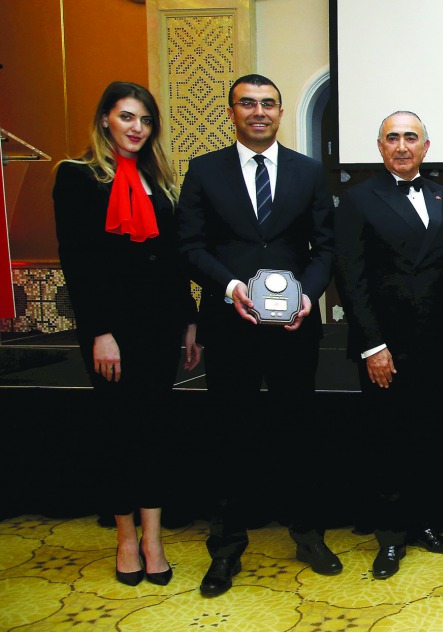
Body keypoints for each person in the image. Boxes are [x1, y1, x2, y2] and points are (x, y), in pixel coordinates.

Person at [177, 73, 339, 597]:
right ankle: (226, 547)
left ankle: (308, 533)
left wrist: (309, 295)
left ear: (281, 111)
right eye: (247, 104)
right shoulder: (203, 172)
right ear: (232, 113)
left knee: (301, 432)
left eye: (268, 103)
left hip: (295, 327)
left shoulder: (309, 172)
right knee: (229, 435)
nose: (259, 112)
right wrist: (228, 287)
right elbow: (190, 245)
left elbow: (325, 249)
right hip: (231, 325)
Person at [53, 81, 201, 587]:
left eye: (144, 120)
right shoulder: (77, 177)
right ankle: (124, 539)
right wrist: (100, 332)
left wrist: (188, 321)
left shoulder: (159, 183)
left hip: (160, 326)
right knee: (119, 432)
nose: (137, 128)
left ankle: (154, 539)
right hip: (111, 331)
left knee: (155, 430)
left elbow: (174, 262)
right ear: (104, 121)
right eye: (126, 117)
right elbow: (78, 263)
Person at [333, 110, 443, 579]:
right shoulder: (358, 200)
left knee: (426, 437)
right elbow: (351, 278)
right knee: (387, 441)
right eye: (393, 138)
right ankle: (389, 538)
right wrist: (372, 346)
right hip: (383, 348)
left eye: (412, 137)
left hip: (433, 346)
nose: (403, 145)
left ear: (426, 147)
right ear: (380, 147)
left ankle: (422, 524)